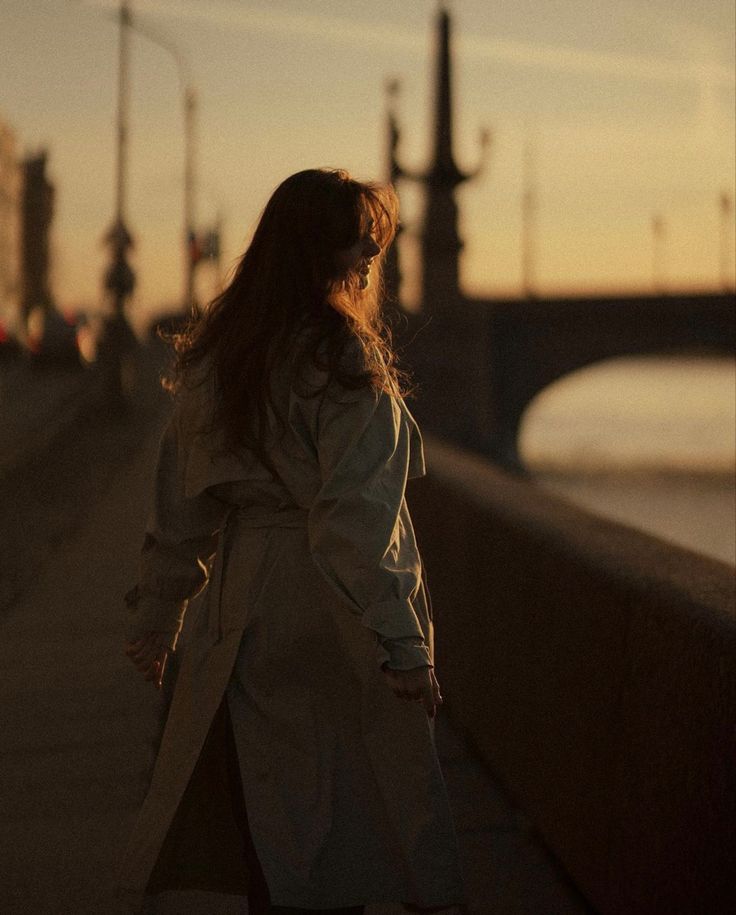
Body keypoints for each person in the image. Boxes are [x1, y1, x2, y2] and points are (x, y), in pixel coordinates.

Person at [116, 168, 464, 913]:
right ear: (318, 254)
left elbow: (181, 505)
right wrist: (402, 643)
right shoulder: (344, 366)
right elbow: (354, 523)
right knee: (339, 833)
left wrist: (157, 615)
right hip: (327, 617)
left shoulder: (220, 359)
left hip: (239, 612)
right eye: (361, 240)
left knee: (272, 823)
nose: (373, 256)